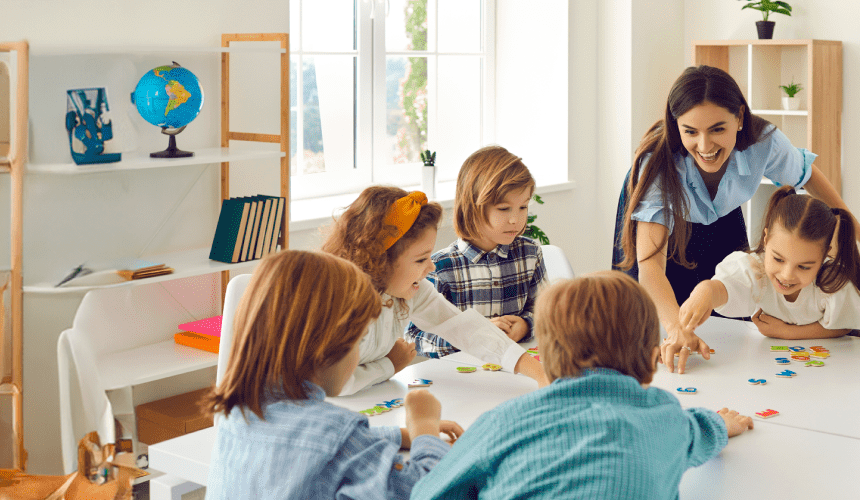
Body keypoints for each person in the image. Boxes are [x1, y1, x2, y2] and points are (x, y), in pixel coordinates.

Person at [615, 65, 860, 373]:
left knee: (732, 306)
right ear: (676, 125)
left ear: (740, 118)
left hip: (722, 214)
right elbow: (649, 267)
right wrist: (675, 325)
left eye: (718, 129)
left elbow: (807, 175)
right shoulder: (658, 165)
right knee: (648, 323)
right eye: (690, 131)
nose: (704, 147)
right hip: (664, 229)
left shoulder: (763, 141)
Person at [408, 271, 754, 500]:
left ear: (545, 357)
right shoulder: (666, 416)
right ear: (653, 359)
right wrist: (722, 423)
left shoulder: (504, 420)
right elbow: (702, 431)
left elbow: (428, 493)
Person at [203, 250, 462, 500]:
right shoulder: (338, 433)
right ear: (329, 345)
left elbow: (314, 446)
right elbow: (430, 490)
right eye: (359, 341)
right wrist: (425, 425)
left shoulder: (239, 409)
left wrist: (402, 435)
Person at [323, 186, 546, 392]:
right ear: (379, 261)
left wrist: (538, 372)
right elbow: (336, 384)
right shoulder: (342, 304)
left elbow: (467, 329)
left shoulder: (412, 291)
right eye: (420, 260)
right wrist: (390, 365)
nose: (430, 267)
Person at [673, 186, 860, 342]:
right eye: (778, 259)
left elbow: (841, 327)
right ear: (766, 240)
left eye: (804, 267)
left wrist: (787, 332)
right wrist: (705, 291)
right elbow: (725, 288)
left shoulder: (831, 280)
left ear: (823, 258)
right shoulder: (755, 269)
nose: (786, 275)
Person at [408, 145, 547, 358]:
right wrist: (470, 336)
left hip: (518, 370)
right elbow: (414, 337)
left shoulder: (529, 253)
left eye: (523, 207)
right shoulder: (440, 267)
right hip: (464, 380)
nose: (515, 219)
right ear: (473, 206)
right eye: (503, 209)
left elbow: (546, 313)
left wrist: (526, 325)